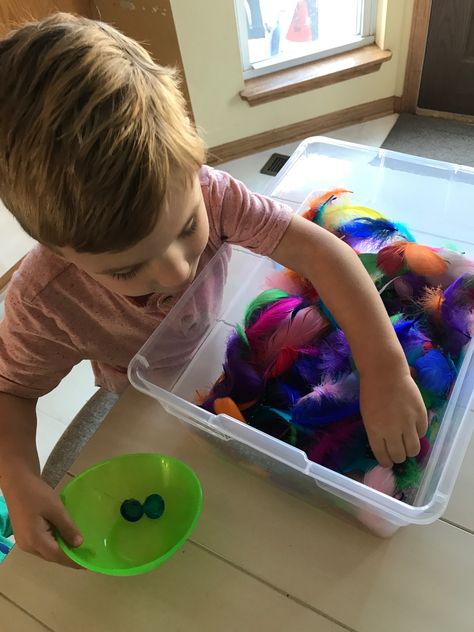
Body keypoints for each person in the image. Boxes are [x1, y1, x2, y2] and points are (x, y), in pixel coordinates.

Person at [0, 13, 427, 568]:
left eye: (185, 231)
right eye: (127, 271)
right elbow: (11, 390)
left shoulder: (214, 194)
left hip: (227, 351)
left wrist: (384, 368)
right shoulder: (44, 300)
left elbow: (323, 252)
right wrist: (17, 477)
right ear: (58, 250)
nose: (178, 271)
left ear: (193, 161)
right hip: (143, 402)